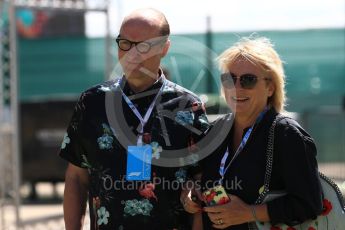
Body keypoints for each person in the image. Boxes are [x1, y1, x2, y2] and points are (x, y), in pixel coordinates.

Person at [59, 8, 209, 230]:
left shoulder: (189, 106)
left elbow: (201, 179)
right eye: (125, 43)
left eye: (144, 45)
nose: (132, 54)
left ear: (165, 48)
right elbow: (76, 178)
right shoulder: (92, 102)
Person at [181, 36, 323, 229]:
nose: (237, 88)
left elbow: (309, 203)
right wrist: (190, 193)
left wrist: (249, 213)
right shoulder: (215, 131)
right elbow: (197, 178)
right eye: (229, 79)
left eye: (248, 80)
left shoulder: (286, 134)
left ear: (270, 87)